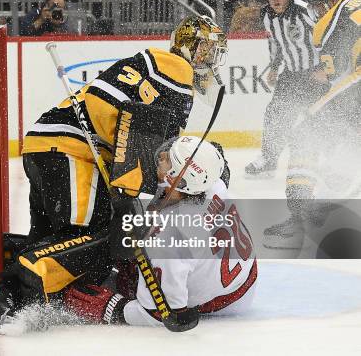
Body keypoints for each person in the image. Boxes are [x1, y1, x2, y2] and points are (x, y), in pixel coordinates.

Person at [0, 15, 229, 332]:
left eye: (214, 51)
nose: (208, 59)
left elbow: (142, 132)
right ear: (185, 47)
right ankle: (4, 300)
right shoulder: (175, 69)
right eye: (204, 49)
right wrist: (128, 193)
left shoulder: (160, 69)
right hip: (73, 150)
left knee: (54, 242)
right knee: (98, 240)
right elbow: (135, 122)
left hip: (52, 147)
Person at [63, 136, 257, 327]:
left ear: (177, 180)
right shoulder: (210, 184)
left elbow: (162, 314)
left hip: (222, 301)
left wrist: (113, 308)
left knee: (122, 265)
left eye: (169, 159)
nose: (162, 154)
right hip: (239, 274)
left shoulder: (168, 242)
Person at [263, 0, 360, 249]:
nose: (314, 12)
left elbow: (330, 76)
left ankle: (299, 220)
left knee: (305, 133)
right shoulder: (355, 5)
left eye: (316, 6)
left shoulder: (327, 22)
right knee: (346, 136)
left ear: (325, 2)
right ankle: (336, 184)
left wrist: (315, 78)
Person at [244, 0, 328, 178]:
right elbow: (276, 42)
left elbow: (325, 33)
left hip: (315, 74)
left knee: (322, 117)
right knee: (275, 115)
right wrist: (274, 67)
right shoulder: (266, 15)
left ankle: (329, 161)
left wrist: (325, 67)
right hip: (290, 75)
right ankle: (269, 159)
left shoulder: (303, 9)